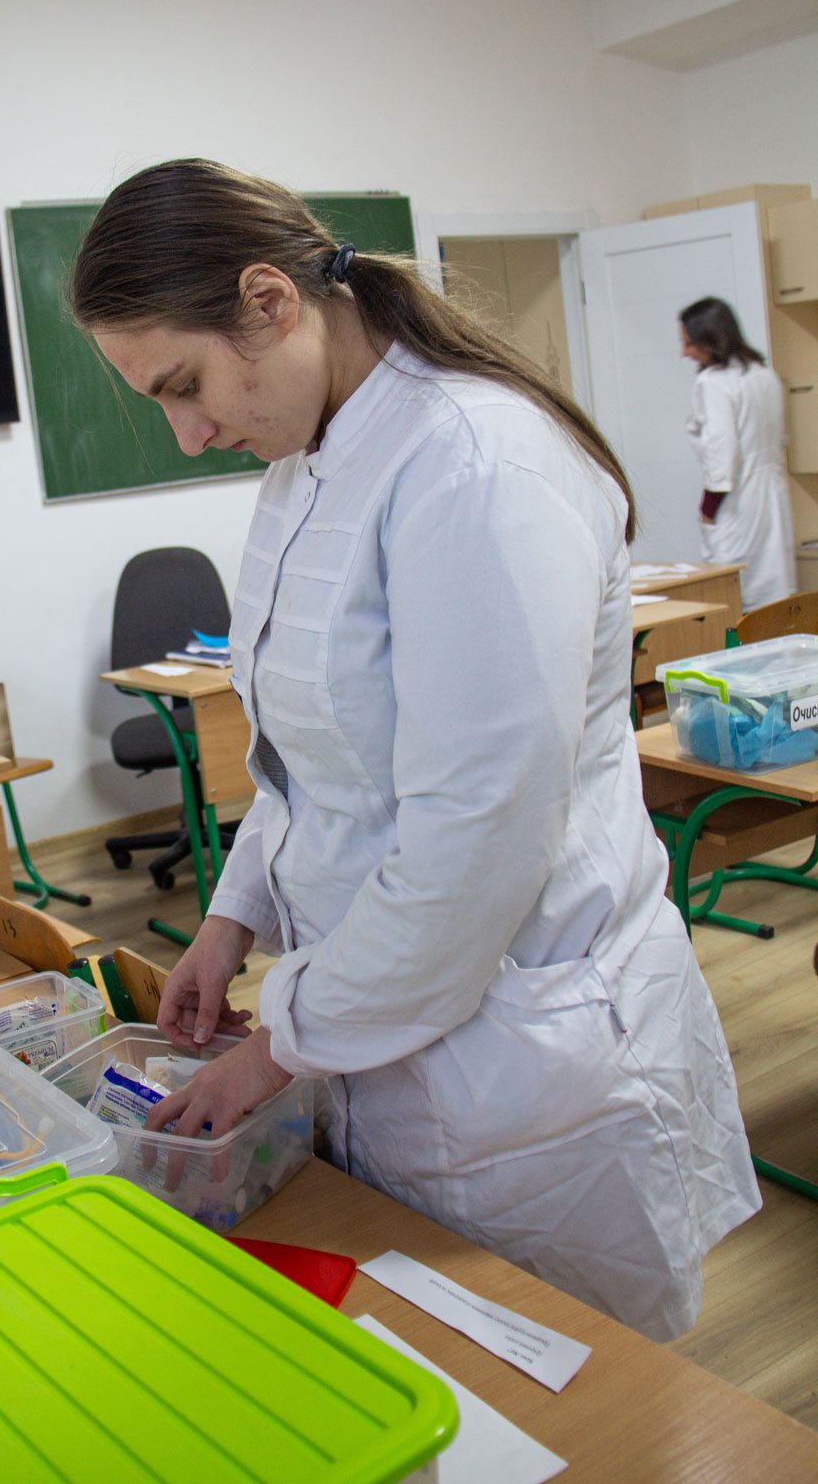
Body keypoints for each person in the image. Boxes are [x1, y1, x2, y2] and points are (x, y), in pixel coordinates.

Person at [71, 159, 759, 1341]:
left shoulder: (478, 466)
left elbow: (474, 841)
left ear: (270, 302)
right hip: (391, 1033)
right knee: (442, 1386)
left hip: (527, 1071)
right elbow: (307, 760)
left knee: (579, 1399)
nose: (188, 434)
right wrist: (233, 919)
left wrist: (275, 1048)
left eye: (185, 386)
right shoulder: (305, 463)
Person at [680, 296, 795, 612]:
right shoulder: (763, 374)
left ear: (709, 338)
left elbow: (722, 450)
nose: (684, 353)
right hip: (771, 496)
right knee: (773, 598)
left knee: (733, 596)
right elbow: (780, 437)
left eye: (689, 343)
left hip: (736, 502)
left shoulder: (714, 383)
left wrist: (708, 508)